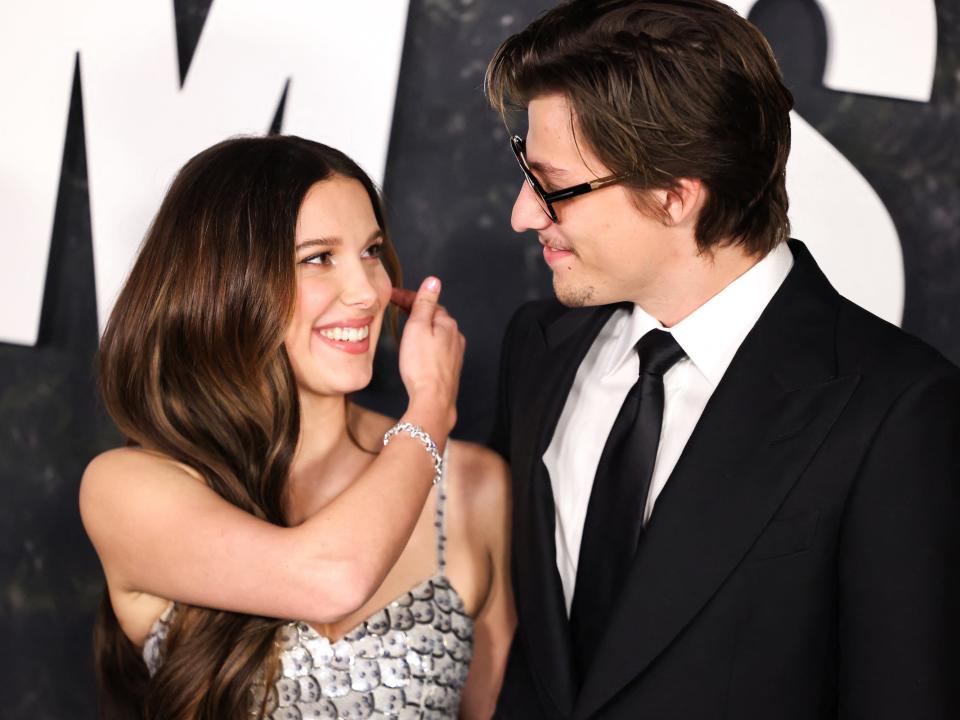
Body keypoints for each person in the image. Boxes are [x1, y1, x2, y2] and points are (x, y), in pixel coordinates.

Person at [485, 1, 960, 718]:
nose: (523, 212)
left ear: (676, 196)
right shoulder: (540, 346)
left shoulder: (897, 410)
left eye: (552, 185)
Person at [79, 135, 514, 719]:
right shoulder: (126, 489)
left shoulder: (472, 486)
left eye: (371, 251)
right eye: (318, 257)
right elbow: (331, 578)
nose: (368, 291)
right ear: (224, 285)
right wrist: (432, 407)